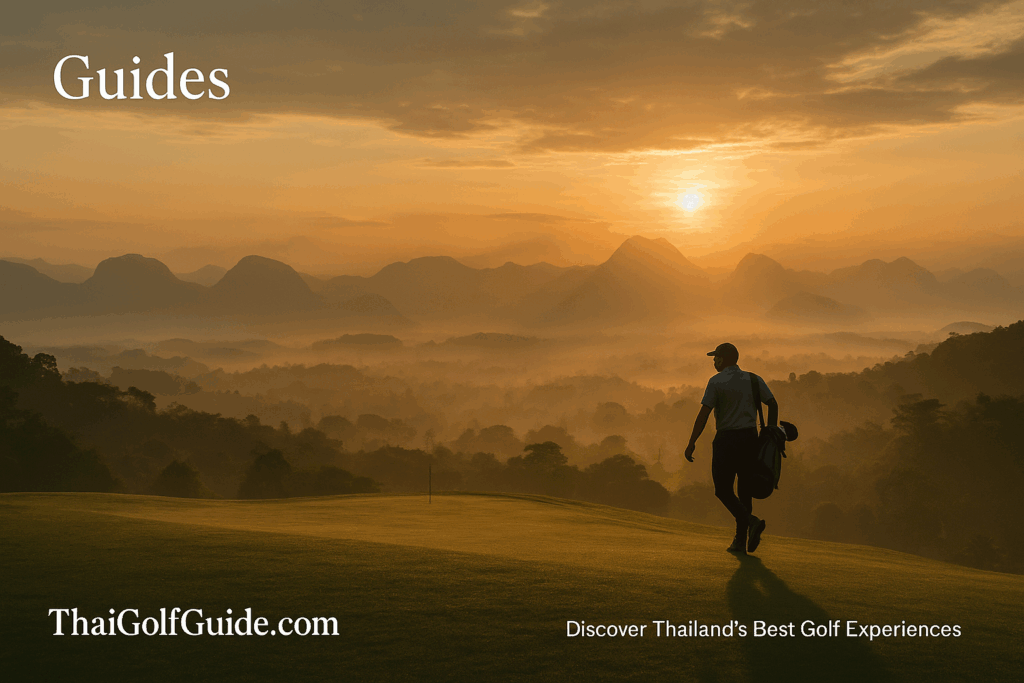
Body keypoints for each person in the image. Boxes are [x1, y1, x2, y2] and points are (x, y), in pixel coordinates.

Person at [684, 342, 778, 555]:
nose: (713, 360)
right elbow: (772, 404)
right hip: (750, 439)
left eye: (716, 357)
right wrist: (770, 433)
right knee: (745, 492)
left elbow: (704, 414)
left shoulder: (716, 381)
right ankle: (740, 542)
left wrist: (691, 443)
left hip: (726, 439)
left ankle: (750, 524)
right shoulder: (754, 379)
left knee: (722, 490)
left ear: (723, 359)